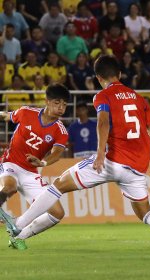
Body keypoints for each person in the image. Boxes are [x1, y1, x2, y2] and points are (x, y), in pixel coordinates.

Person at [0, 55, 150, 255]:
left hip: (110, 161)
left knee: (58, 186)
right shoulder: (139, 99)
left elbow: (103, 122)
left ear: (99, 78)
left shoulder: (103, 96)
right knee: (146, 213)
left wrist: (100, 153)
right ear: (119, 74)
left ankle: (19, 225)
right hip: (136, 167)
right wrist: (143, 152)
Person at [0, 84, 70, 250]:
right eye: (57, 103)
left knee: (58, 213)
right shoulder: (26, 112)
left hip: (31, 173)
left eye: (65, 105)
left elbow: (57, 153)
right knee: (10, 187)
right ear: (46, 101)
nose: (61, 108)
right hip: (10, 163)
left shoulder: (61, 130)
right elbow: (6, 116)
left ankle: (19, 235)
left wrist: (43, 163)